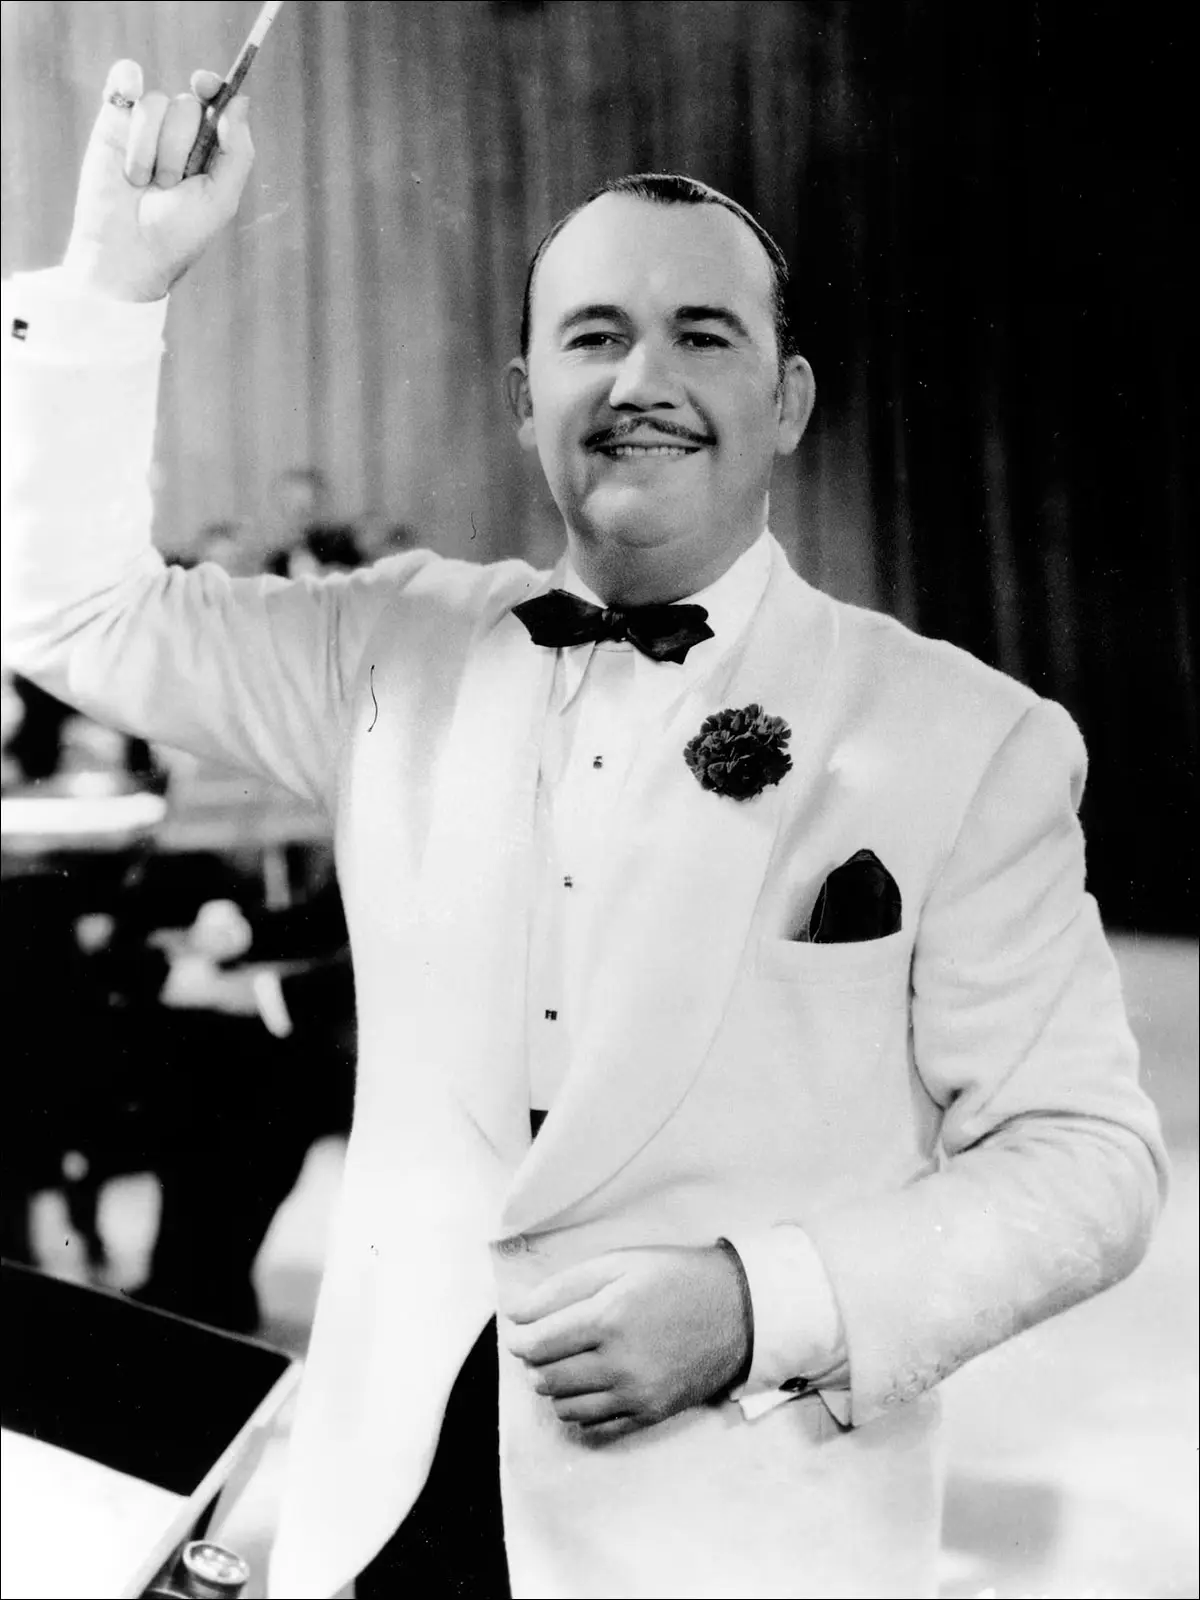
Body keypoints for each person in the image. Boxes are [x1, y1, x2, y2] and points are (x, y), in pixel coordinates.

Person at [0, 59, 1167, 1600]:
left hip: (739, 1535)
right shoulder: (388, 643)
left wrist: (761, 1304)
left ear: (788, 399)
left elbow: (1087, 1163)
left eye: (704, 335)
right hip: (388, 1503)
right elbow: (70, 615)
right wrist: (114, 279)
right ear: (523, 398)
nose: (642, 381)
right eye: (594, 337)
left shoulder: (969, 736)